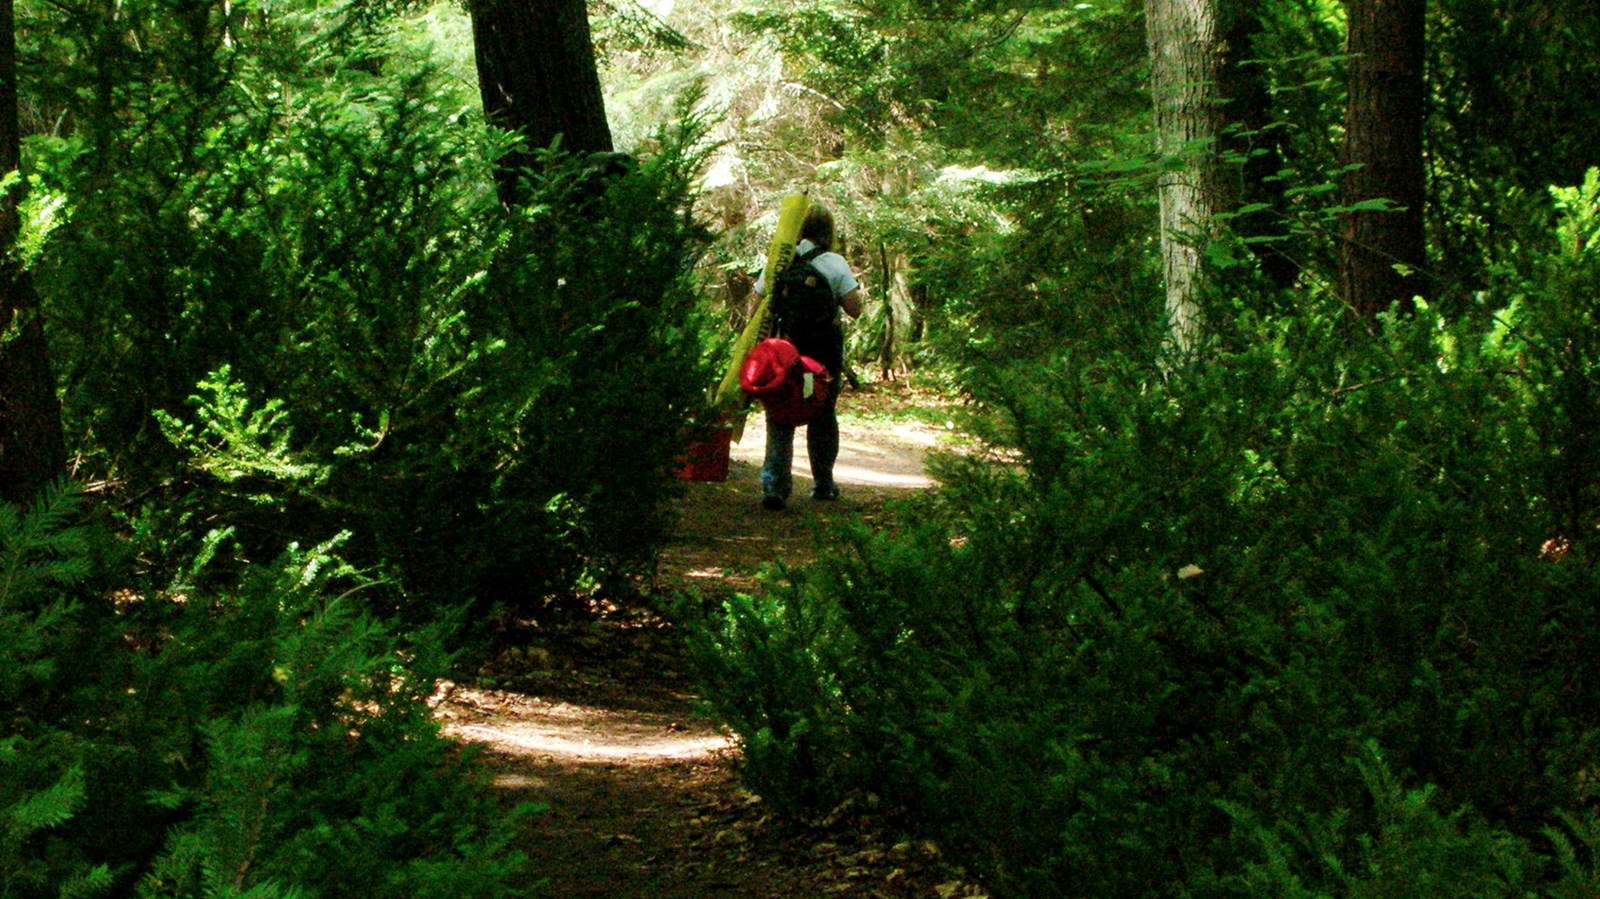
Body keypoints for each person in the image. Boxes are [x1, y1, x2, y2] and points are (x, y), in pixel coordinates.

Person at [749, 204, 864, 510]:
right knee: (822, 412)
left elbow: (755, 307)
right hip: (822, 356)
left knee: (780, 414)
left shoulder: (779, 262)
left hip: (784, 355)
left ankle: (774, 487)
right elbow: (856, 308)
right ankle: (823, 484)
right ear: (829, 232)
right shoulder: (835, 263)